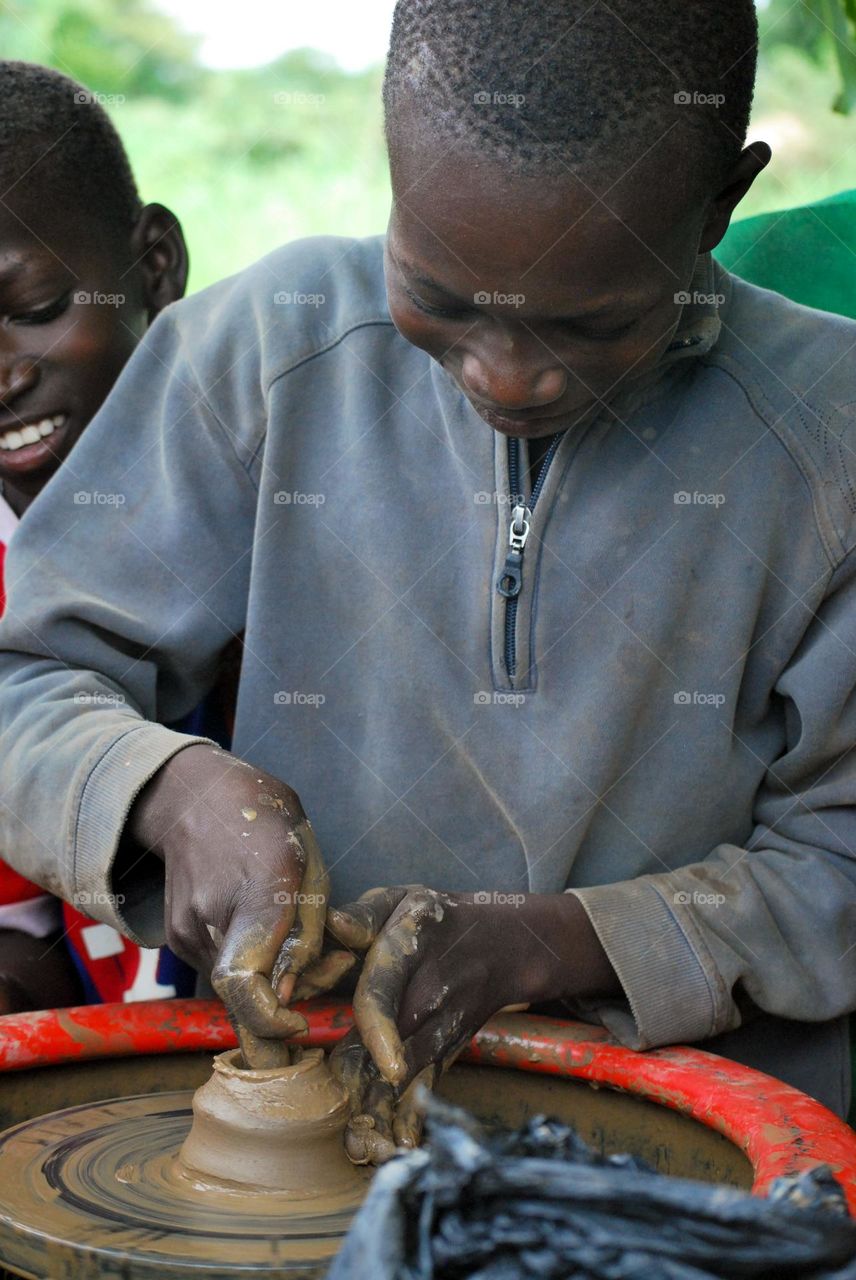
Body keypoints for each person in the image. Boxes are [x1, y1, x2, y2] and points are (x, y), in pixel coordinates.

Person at [0, 0, 854, 1163]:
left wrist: (559, 942)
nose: (507, 377)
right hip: (292, 1148)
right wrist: (171, 788)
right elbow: (31, 676)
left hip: (686, 1164)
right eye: (441, 303)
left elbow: (838, 858)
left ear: (722, 202)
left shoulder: (826, 441)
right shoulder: (266, 350)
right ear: (393, 163)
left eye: (588, 324)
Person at [0, 60, 196, 1010]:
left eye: (35, 312)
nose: (3, 377)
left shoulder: (289, 515)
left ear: (153, 265)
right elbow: (31, 940)